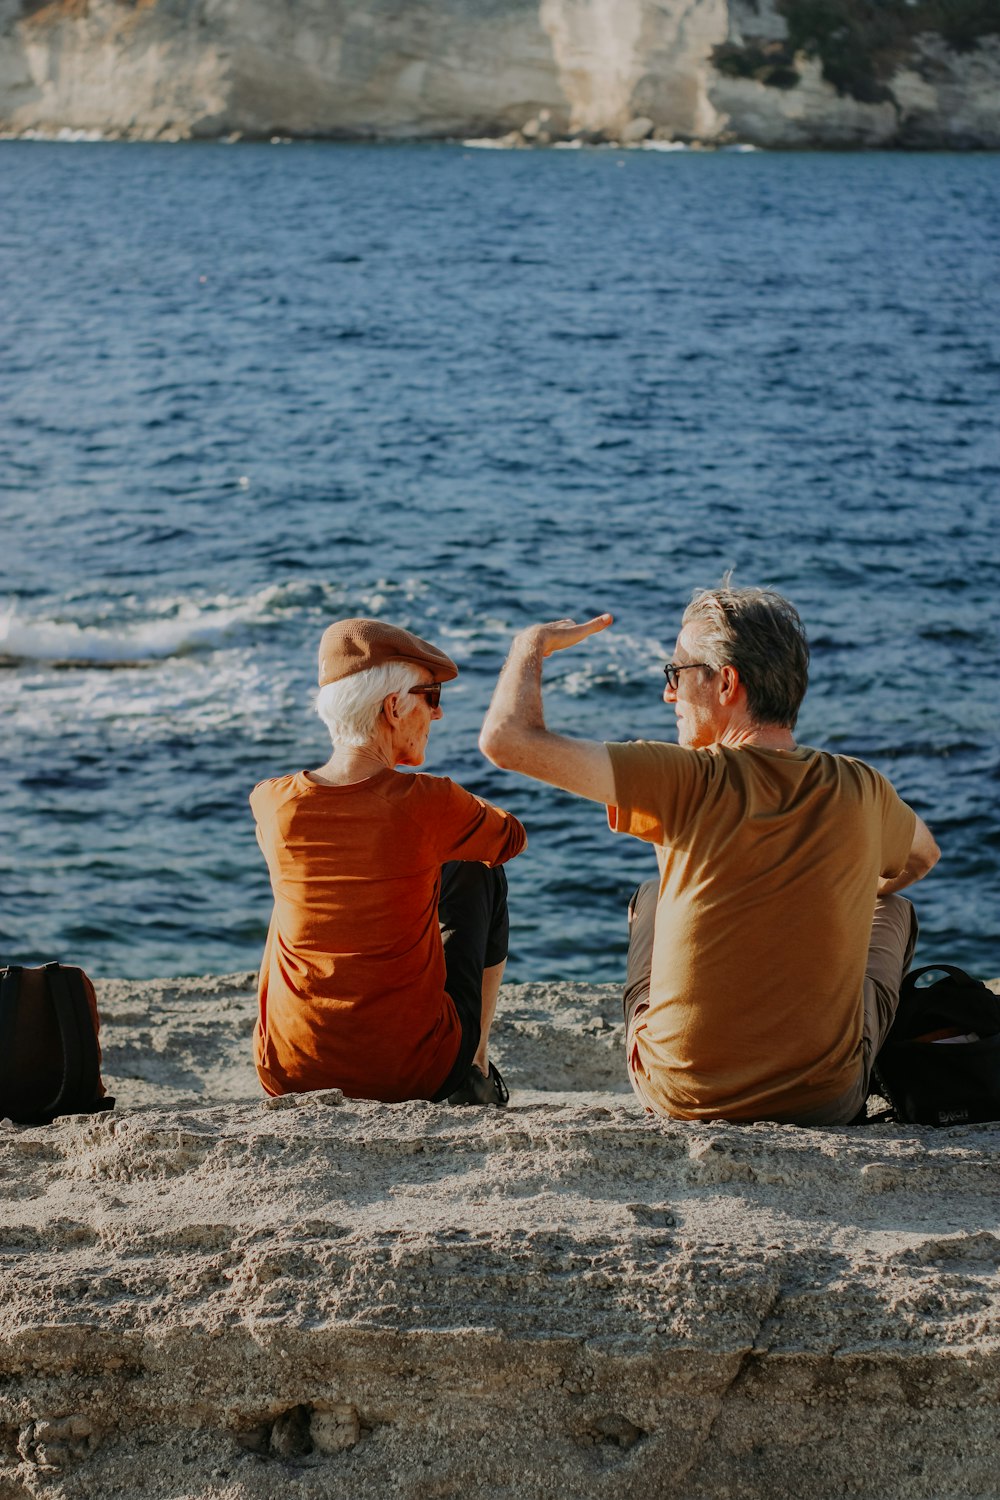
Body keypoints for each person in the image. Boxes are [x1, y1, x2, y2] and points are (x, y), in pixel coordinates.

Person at [479, 585, 940, 1126]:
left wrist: (530, 643)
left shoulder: (684, 778)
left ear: (726, 682)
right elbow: (921, 858)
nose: (669, 696)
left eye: (677, 674)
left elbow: (506, 740)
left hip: (680, 1094)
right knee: (895, 910)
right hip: (824, 1101)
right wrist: (847, 895)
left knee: (652, 899)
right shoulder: (861, 787)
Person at [250, 618, 525, 1108]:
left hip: (289, 1070)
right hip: (413, 1074)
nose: (436, 716)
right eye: (432, 697)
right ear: (394, 706)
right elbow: (509, 838)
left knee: (298, 891)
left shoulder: (273, 801)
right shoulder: (430, 802)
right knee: (476, 866)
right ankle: (476, 1064)